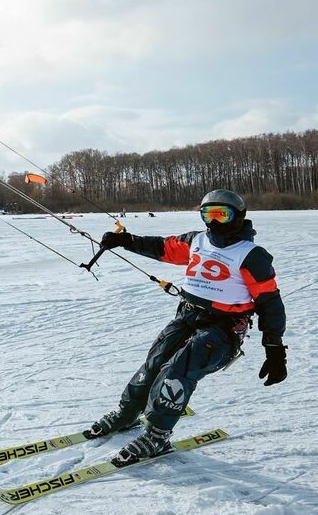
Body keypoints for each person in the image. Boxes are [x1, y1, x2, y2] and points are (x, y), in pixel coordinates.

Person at [88, 189, 287, 467]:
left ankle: (158, 434)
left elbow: (270, 303)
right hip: (187, 317)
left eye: (222, 214)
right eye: (209, 214)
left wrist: (275, 348)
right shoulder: (197, 240)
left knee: (176, 371)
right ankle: (127, 413)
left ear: (238, 217)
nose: (215, 222)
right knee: (154, 363)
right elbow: (163, 247)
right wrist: (126, 240)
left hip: (222, 330)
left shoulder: (251, 256)